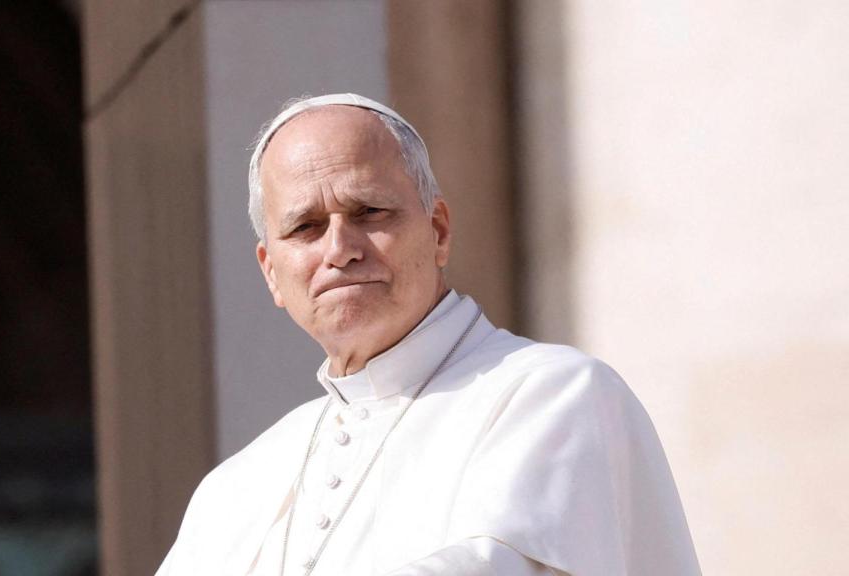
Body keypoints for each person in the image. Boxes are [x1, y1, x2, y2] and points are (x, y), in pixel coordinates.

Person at [154, 93, 700, 575]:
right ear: (272, 271)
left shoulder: (554, 393)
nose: (340, 249)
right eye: (306, 227)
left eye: (369, 211)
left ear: (437, 231)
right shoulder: (235, 486)